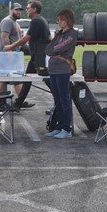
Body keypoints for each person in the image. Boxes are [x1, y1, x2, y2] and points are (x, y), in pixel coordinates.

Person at [5, 0, 51, 109]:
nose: (26, 10)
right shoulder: (42, 20)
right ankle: (18, 103)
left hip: (39, 57)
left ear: (34, 9)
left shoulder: (36, 21)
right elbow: (49, 38)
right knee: (27, 80)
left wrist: (11, 46)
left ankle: (61, 100)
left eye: (28, 8)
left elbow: (26, 38)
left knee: (47, 79)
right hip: (37, 56)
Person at [44, 9, 78, 139]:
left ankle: (66, 128)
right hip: (53, 69)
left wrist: (54, 51)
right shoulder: (59, 34)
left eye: (60, 20)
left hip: (63, 70)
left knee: (64, 99)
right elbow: (48, 49)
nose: (58, 22)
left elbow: (60, 47)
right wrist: (54, 51)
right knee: (57, 100)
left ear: (67, 20)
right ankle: (59, 126)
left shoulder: (72, 34)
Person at [0, 3, 24, 109]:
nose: (19, 12)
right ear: (11, 10)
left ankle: (21, 100)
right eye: (16, 10)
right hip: (7, 55)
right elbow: (5, 37)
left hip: (13, 54)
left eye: (20, 10)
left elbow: (18, 39)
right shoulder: (7, 21)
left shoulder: (15, 22)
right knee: (4, 77)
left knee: (14, 78)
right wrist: (9, 53)